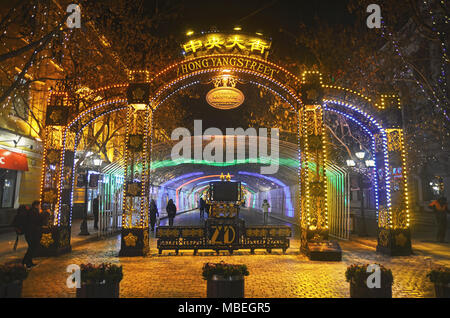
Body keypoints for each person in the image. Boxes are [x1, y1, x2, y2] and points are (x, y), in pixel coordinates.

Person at [22, 201, 43, 268]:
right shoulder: (34, 211)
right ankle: (25, 262)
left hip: (30, 232)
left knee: (31, 247)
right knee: (32, 247)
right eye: (40, 205)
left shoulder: (31, 211)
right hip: (32, 233)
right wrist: (46, 213)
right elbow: (39, 220)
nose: (40, 207)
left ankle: (28, 262)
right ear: (37, 205)